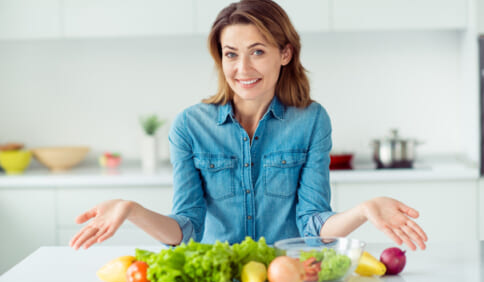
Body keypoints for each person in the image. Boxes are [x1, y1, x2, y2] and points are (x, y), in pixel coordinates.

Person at [70, 0, 427, 251]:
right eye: (231, 54)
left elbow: (313, 226)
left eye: (257, 51)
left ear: (285, 53)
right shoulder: (190, 126)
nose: (243, 69)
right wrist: (132, 209)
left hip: (285, 276)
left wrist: (363, 210)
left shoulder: (311, 120)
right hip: (217, 276)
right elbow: (185, 228)